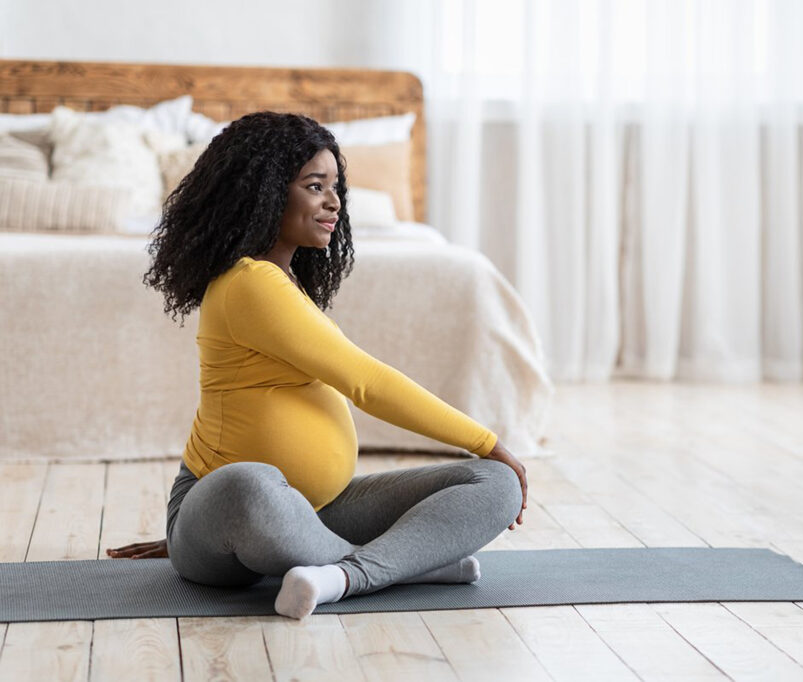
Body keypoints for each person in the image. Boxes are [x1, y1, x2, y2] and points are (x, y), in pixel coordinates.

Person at [106, 111, 527, 620]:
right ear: (264, 192)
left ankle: (342, 573)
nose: (334, 203)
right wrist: (488, 441)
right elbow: (365, 381)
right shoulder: (248, 283)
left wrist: (489, 461)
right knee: (250, 484)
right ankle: (400, 566)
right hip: (231, 505)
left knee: (494, 484)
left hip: (320, 509)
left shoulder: (285, 281)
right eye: (315, 186)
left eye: (335, 187)